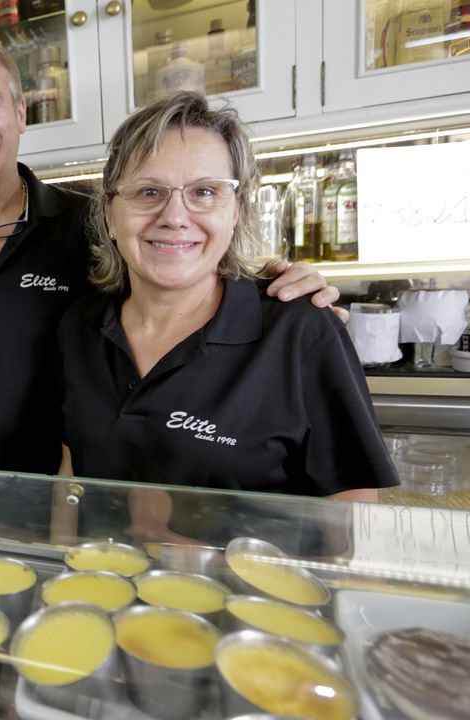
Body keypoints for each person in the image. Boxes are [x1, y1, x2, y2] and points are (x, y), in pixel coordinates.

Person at [0, 37, 338, 477]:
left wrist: (281, 296)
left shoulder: (91, 222)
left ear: (21, 113)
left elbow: (183, 278)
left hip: (69, 486)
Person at [57, 92, 397, 508]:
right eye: (148, 191)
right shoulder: (80, 326)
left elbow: (352, 510)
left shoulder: (299, 328)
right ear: (109, 214)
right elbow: (70, 475)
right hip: (101, 572)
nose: (175, 216)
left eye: (204, 192)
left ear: (236, 209)